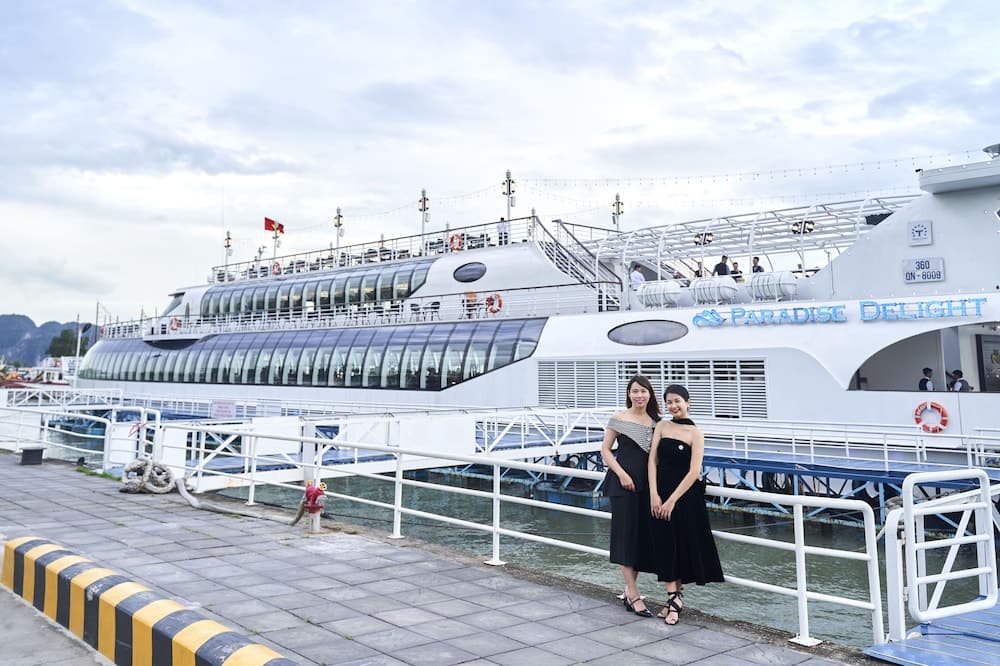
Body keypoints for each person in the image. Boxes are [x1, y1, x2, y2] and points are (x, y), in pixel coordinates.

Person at [648, 384, 724, 625]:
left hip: (684, 498)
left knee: (681, 546)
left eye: (677, 401)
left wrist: (672, 500)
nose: (673, 406)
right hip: (660, 494)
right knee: (665, 545)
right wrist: (654, 494)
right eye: (669, 402)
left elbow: (694, 472)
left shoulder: (695, 433)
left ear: (687, 402)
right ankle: (674, 599)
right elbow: (652, 461)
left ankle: (673, 601)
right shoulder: (662, 426)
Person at [600, 375, 661, 618]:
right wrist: (621, 474)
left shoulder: (657, 422)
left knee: (639, 540)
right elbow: (605, 450)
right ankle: (634, 595)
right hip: (622, 485)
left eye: (643, 391)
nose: (639, 395)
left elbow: (662, 456)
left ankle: (629, 591)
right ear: (629, 394)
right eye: (635, 391)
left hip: (648, 487)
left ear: (650, 394)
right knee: (625, 539)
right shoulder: (620, 418)